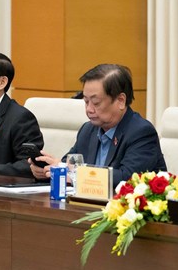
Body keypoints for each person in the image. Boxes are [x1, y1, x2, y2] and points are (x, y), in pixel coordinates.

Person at [30, 64, 166, 185]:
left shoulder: (141, 132)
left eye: (96, 103)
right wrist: (48, 170)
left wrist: (76, 174)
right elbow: (69, 164)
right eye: (86, 101)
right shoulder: (88, 130)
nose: (89, 109)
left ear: (120, 100)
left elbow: (127, 178)